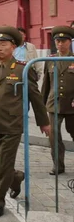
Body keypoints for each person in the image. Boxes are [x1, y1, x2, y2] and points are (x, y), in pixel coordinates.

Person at [0, 26, 50, 218]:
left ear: (13, 47)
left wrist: (44, 122)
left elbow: (35, 97)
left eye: (3, 44)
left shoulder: (21, 69)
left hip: (11, 125)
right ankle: (16, 178)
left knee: (4, 165)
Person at [41, 25, 74, 175]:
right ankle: (58, 165)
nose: (60, 44)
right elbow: (46, 85)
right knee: (54, 137)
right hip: (54, 104)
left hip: (72, 104)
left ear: (70, 42)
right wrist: (41, 108)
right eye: (58, 41)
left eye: (63, 41)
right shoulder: (50, 60)